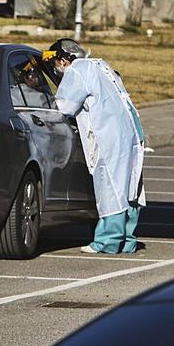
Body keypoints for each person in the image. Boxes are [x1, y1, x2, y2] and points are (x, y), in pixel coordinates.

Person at [46, 39, 147, 254]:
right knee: (128, 186)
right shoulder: (100, 64)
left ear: (63, 60)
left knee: (110, 186)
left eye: (55, 62)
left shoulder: (77, 70)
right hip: (129, 132)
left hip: (108, 134)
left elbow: (65, 105)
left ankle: (107, 241)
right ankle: (127, 240)